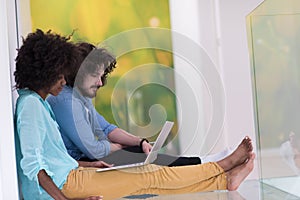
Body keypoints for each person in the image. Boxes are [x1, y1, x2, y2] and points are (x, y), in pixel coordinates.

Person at [14, 29, 255, 200]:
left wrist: (86, 164)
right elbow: (33, 166)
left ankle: (223, 181)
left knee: (146, 181)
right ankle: (221, 165)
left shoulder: (38, 102)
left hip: (72, 174)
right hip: (65, 184)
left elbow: (52, 157)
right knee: (147, 175)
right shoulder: (32, 106)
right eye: (60, 74)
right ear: (44, 73)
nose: (64, 80)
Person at [46, 42, 232, 167]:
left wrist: (140, 141)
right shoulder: (65, 101)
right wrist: (120, 147)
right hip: (81, 161)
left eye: (102, 76)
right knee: (136, 156)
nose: (101, 83)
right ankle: (208, 164)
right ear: (78, 72)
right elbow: (92, 149)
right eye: (96, 76)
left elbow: (107, 128)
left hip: (89, 156)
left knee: (140, 151)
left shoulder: (80, 97)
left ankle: (205, 162)